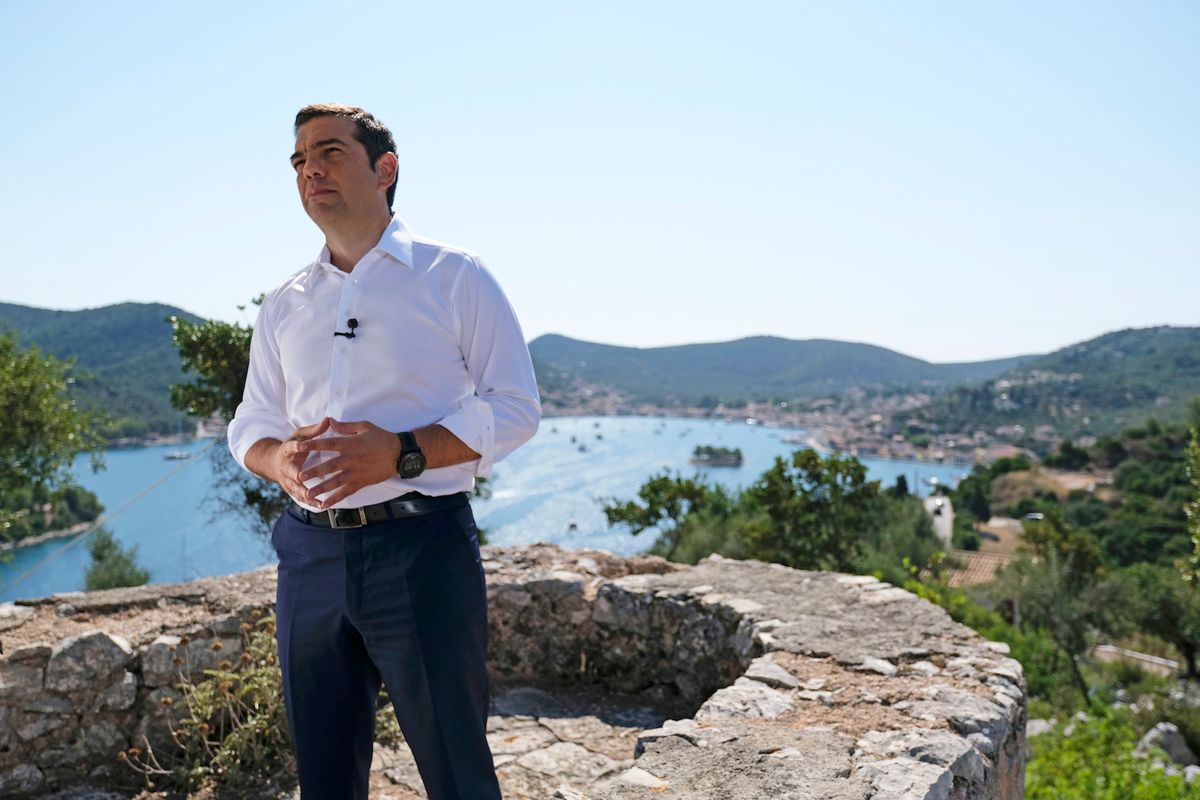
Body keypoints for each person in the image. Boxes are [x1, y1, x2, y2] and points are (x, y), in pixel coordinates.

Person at [227, 103, 540, 800]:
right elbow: (251, 420)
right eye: (300, 160)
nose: (311, 170)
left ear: (385, 169)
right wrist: (276, 461)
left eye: (330, 152)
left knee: (457, 769)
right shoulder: (285, 304)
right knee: (326, 775)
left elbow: (515, 407)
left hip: (421, 549)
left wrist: (401, 453)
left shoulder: (455, 276)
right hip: (309, 557)